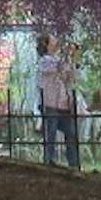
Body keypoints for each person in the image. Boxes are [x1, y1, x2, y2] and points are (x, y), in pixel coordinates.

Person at [31, 35, 81, 169]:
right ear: (47, 45)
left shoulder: (60, 60)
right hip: (50, 104)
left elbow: (73, 76)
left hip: (64, 104)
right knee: (50, 135)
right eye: (53, 39)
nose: (57, 41)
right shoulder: (44, 61)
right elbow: (58, 68)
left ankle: (74, 164)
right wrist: (68, 55)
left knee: (71, 134)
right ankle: (49, 162)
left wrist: (72, 61)